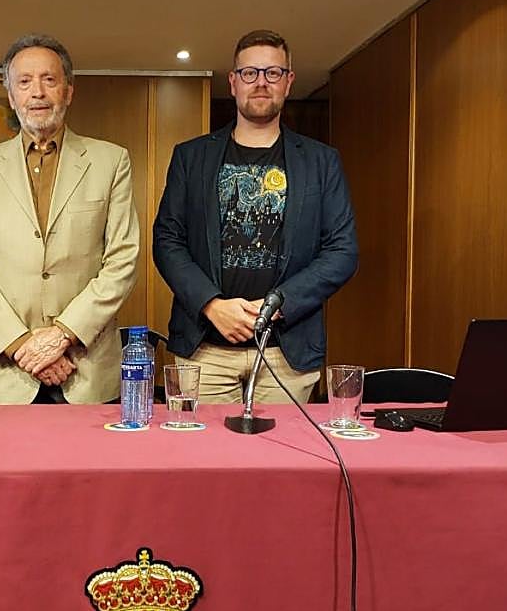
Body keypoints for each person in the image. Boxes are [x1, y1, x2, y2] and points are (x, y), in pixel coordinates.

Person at [153, 29, 358, 404]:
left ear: (288, 81)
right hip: (204, 351)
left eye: (273, 73)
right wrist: (212, 304)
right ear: (233, 82)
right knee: (202, 461)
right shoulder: (191, 157)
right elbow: (167, 241)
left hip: (286, 354)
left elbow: (342, 251)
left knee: (282, 462)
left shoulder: (321, 162)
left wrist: (278, 304)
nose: (260, 83)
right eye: (250, 73)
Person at [0, 34, 140, 404]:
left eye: (49, 80)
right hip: (8, 375)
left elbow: (122, 261)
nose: (37, 92)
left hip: (86, 372)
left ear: (68, 91)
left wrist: (62, 336)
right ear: (11, 96)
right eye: (24, 82)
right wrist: (23, 346)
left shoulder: (110, 161)